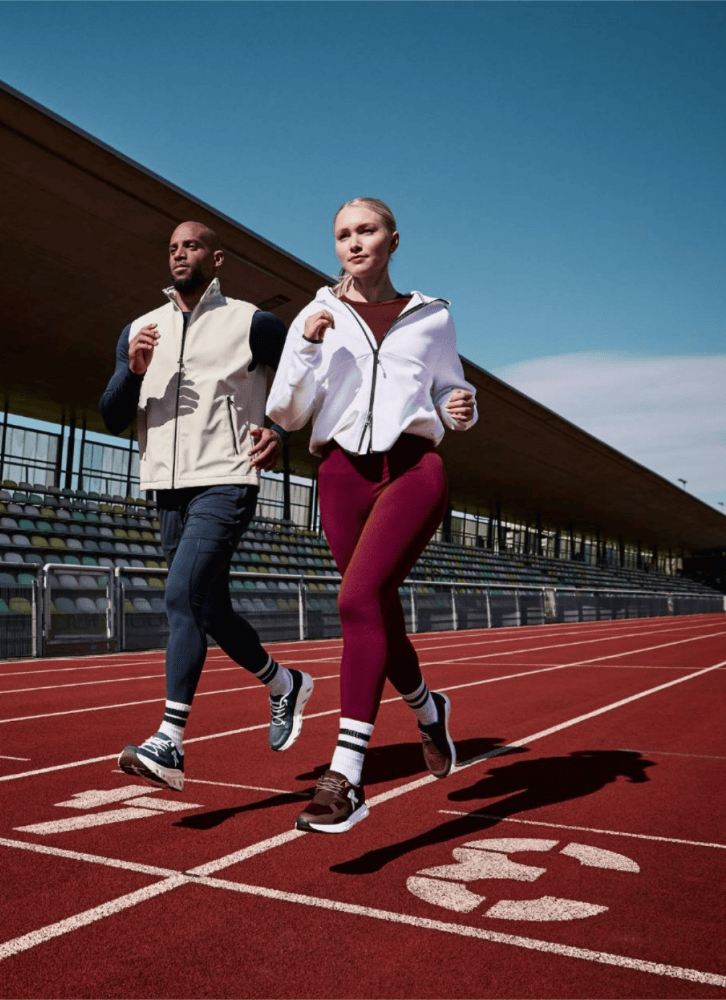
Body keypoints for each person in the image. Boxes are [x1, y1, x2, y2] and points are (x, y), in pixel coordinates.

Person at [266, 198, 477, 832]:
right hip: (340, 477)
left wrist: (462, 404)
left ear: (393, 239)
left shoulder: (432, 317)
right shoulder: (316, 312)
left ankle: (346, 775)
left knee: (356, 600)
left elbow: (448, 387)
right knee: (376, 608)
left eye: (366, 231)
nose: (354, 243)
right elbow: (287, 413)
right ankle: (426, 708)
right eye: (342, 235)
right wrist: (303, 346)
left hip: (414, 468)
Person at [100, 221, 314, 792]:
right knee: (209, 609)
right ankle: (283, 683)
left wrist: (278, 429)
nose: (178, 254)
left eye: (190, 246)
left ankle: (169, 741)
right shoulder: (140, 329)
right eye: (171, 247)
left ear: (216, 258)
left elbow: (304, 380)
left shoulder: (253, 322)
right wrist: (133, 368)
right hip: (166, 487)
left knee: (180, 595)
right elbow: (111, 413)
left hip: (226, 475)